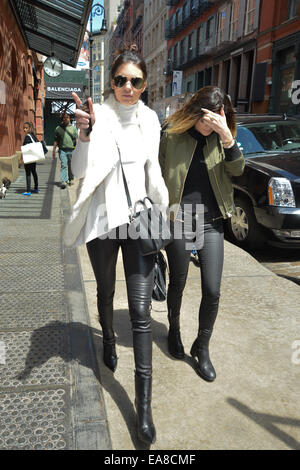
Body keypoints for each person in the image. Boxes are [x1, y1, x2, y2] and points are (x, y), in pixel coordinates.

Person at [63, 44, 169, 445]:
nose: (128, 86)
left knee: (141, 313)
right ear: (111, 81)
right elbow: (79, 172)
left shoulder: (150, 119)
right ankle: (107, 338)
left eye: (136, 81)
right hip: (104, 225)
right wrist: (85, 136)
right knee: (105, 294)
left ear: (144, 85)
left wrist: (168, 216)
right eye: (121, 80)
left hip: (139, 223)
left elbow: (153, 170)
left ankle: (143, 408)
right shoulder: (99, 116)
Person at [159, 86, 245, 382]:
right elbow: (157, 174)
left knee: (212, 289)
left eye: (216, 120)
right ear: (195, 114)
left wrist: (228, 137)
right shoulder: (171, 133)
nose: (209, 127)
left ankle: (202, 346)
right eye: (205, 121)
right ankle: (174, 329)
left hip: (211, 222)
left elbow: (238, 170)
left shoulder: (222, 137)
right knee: (178, 282)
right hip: (180, 220)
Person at [53, 112, 78, 188]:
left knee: (71, 166)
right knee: (64, 165)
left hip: (71, 150)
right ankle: (64, 181)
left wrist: (77, 149)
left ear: (69, 118)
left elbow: (76, 139)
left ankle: (71, 179)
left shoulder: (73, 128)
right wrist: (54, 150)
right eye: (64, 117)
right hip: (62, 150)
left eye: (67, 117)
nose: (66, 119)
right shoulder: (58, 129)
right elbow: (56, 140)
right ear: (62, 119)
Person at [22, 122, 39, 196]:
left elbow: (25, 148)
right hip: (34, 157)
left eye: (26, 128)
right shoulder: (33, 136)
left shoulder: (27, 137)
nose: (24, 129)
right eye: (24, 128)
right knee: (34, 172)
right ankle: (36, 188)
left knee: (28, 173)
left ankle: (28, 191)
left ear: (29, 128)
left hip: (28, 157)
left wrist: (21, 158)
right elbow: (37, 143)